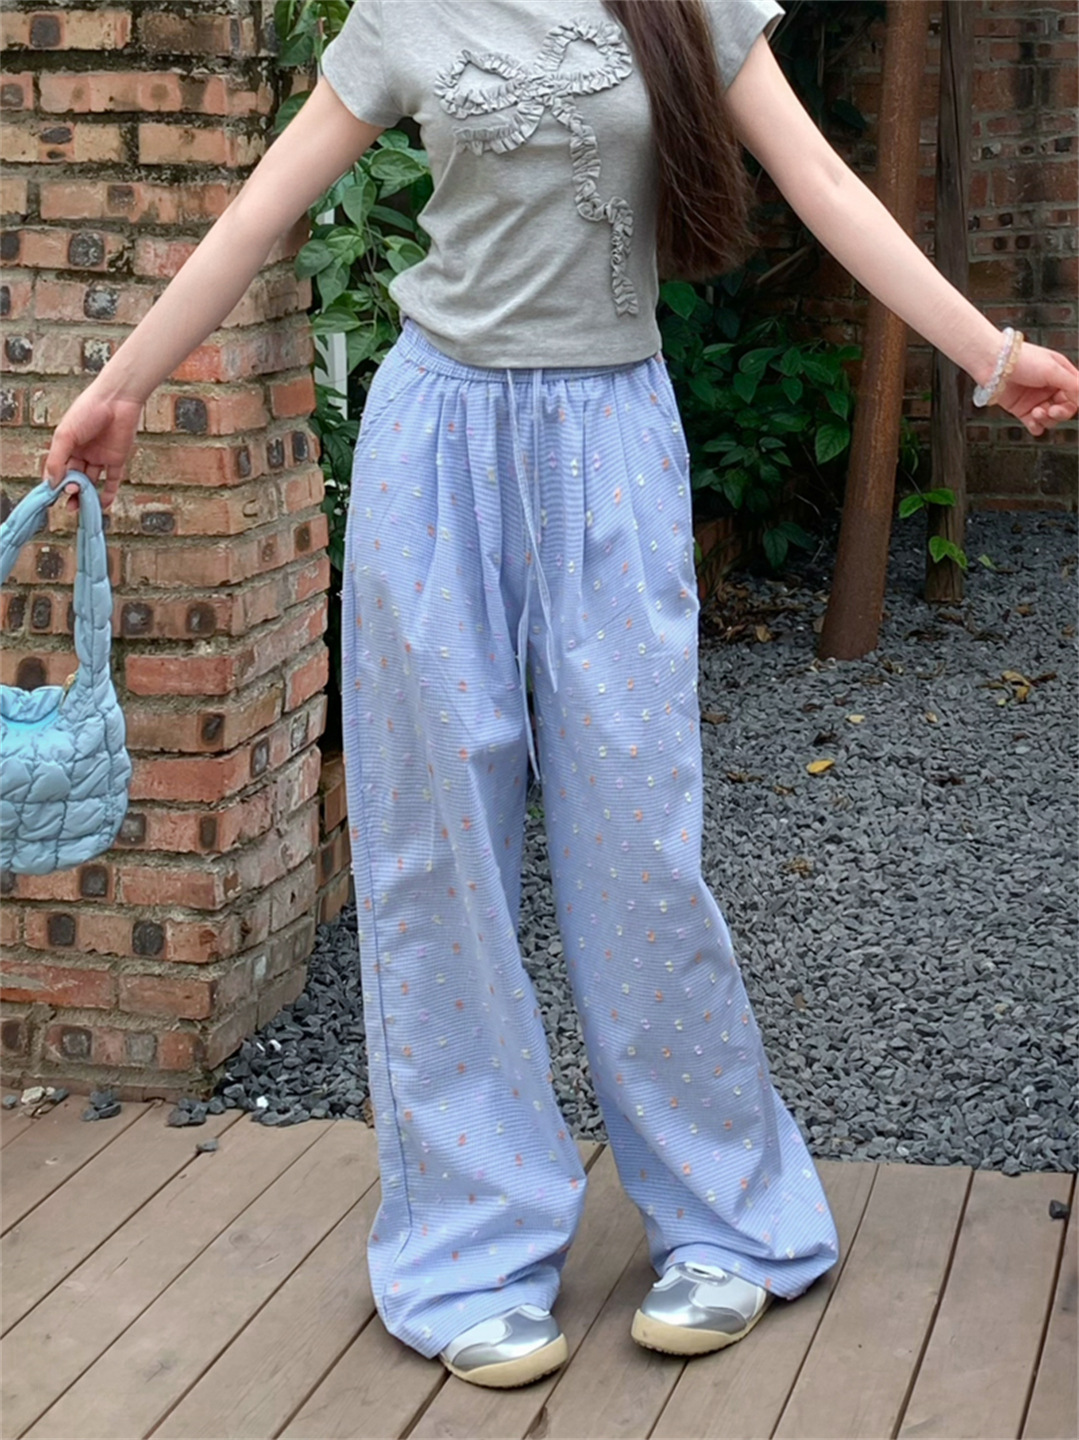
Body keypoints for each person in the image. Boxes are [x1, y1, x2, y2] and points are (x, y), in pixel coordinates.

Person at [43, 0, 1077, 1393]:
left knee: (640, 848)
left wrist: (990, 355)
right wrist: (119, 387)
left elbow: (825, 184)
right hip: (436, 450)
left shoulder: (685, 4)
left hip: (609, 447)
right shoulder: (407, 12)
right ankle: (470, 1245)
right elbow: (256, 215)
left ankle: (727, 1218)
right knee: (436, 860)